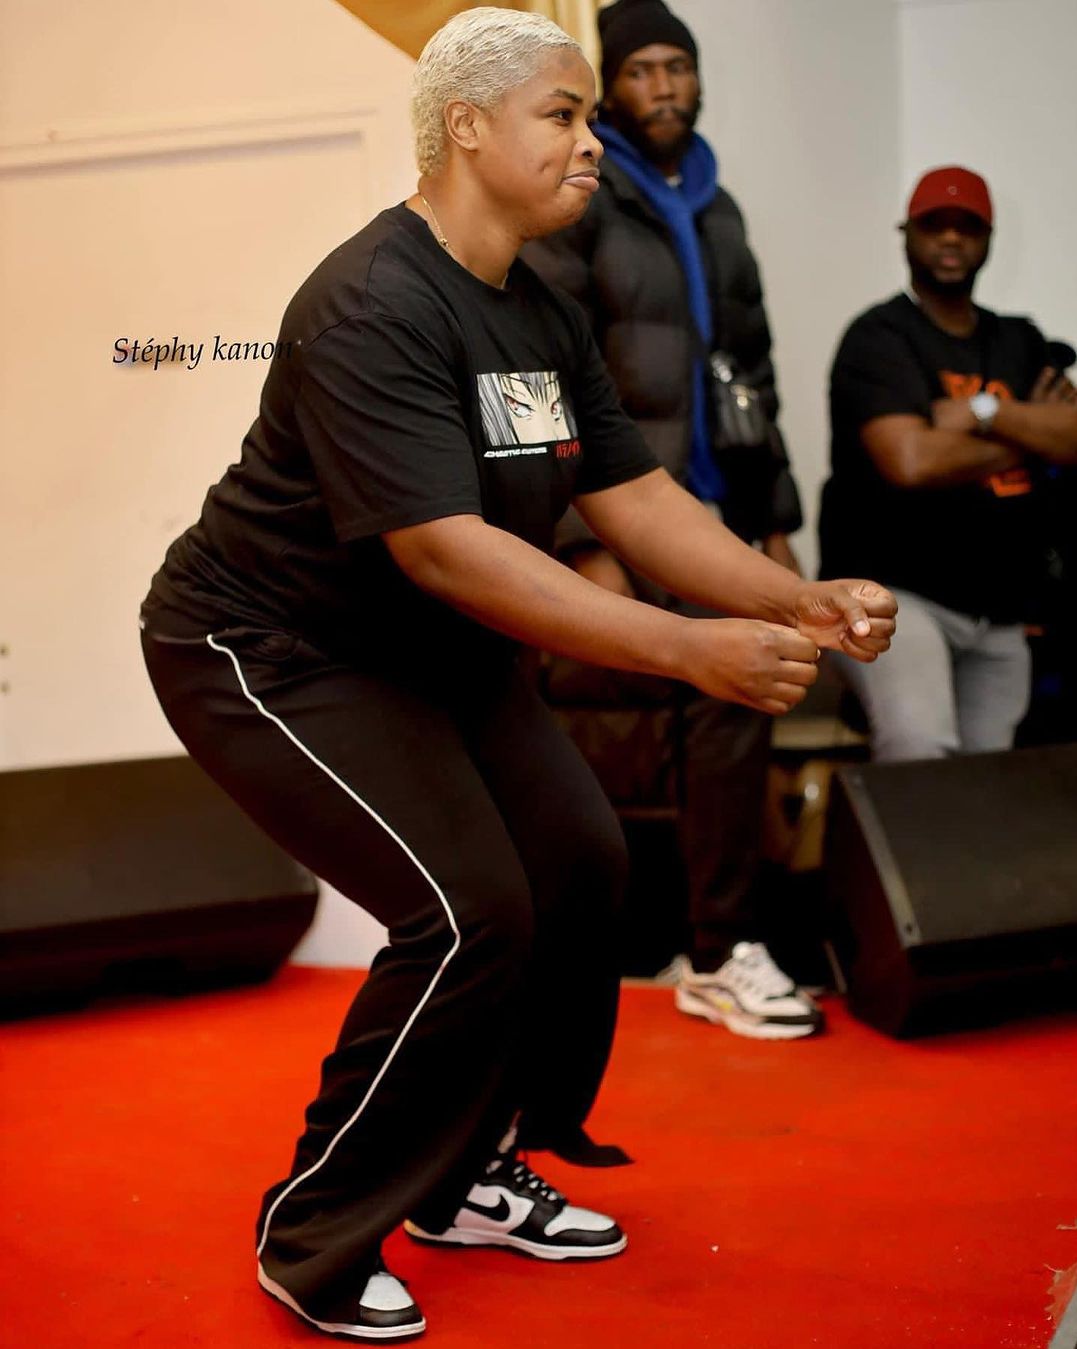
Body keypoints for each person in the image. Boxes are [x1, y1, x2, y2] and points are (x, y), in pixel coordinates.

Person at [140, 8, 896, 1341]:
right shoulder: (373, 301)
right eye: (565, 112)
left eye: (592, 116)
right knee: (468, 906)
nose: (592, 142)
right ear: (467, 127)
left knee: (579, 865)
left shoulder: (540, 302)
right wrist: (690, 650)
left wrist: (795, 596)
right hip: (269, 646)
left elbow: (634, 493)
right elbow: (452, 555)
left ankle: (470, 1169)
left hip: (423, 652)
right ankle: (317, 1222)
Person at [523, 0, 819, 1040]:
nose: (662, 88)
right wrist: (578, 539)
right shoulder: (585, 201)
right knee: (673, 700)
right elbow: (542, 370)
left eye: (675, 69)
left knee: (742, 684)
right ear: (613, 90)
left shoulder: (720, 207)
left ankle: (717, 946)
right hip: (621, 507)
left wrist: (773, 522)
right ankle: (677, 945)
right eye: (640, 72)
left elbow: (758, 373)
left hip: (714, 505)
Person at [819, 165, 1077, 763]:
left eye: (969, 227)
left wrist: (980, 411)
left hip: (1003, 610)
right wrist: (1029, 429)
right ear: (906, 233)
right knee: (921, 751)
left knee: (994, 786)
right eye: (936, 224)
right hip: (895, 597)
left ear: (988, 240)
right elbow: (910, 460)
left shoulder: (1020, 340)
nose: (952, 239)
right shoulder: (878, 338)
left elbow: (1074, 438)